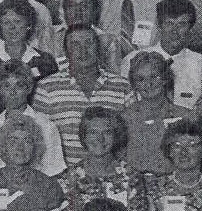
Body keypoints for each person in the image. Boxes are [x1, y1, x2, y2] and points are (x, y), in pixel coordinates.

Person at [56, 107, 147, 211]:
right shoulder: (69, 178)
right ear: (83, 136)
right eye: (92, 132)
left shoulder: (131, 177)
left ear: (115, 136)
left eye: (107, 132)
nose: (100, 138)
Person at [32, 25, 132, 167]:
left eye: (89, 43)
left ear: (98, 49)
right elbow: (40, 140)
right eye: (75, 44)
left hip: (112, 175)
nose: (83, 50)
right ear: (65, 52)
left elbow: (130, 136)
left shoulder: (122, 86)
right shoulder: (46, 87)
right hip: (65, 177)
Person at [0, 59, 66, 178]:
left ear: (29, 89)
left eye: (19, 85)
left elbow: (54, 170)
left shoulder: (46, 125)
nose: (13, 92)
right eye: (6, 86)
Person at [121, 51, 194, 175]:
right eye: (140, 79)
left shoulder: (186, 116)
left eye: (154, 76)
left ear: (165, 79)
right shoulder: (125, 118)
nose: (148, 84)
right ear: (134, 84)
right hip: (135, 186)